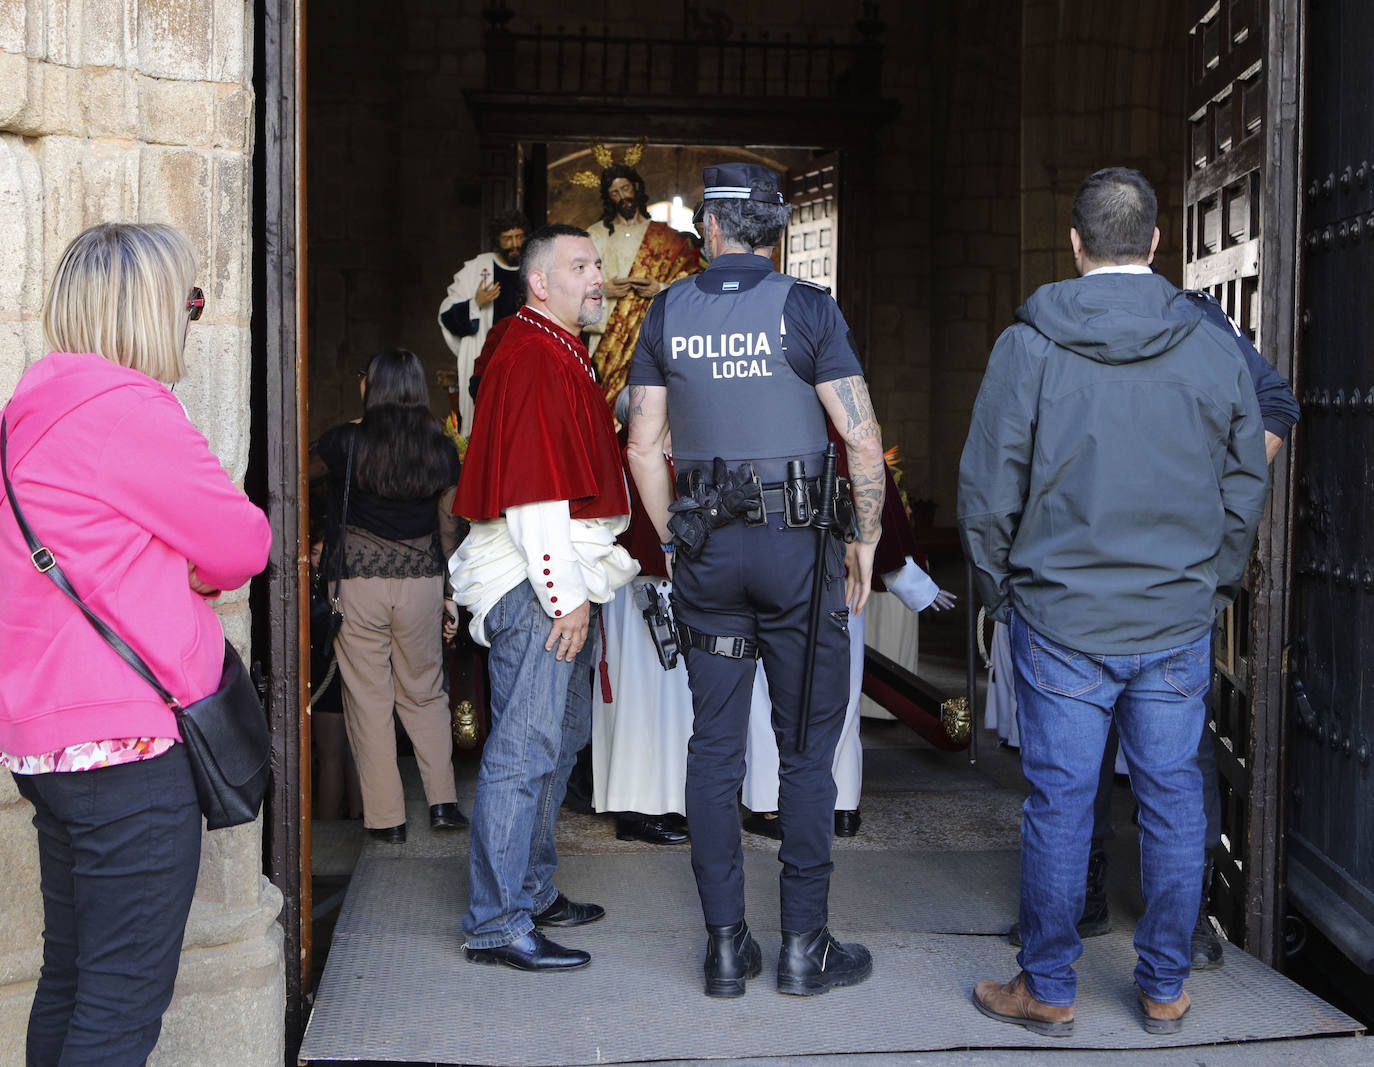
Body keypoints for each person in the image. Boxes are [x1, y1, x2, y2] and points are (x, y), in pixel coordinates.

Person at [958, 167, 1270, 1038]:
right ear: (1159, 242)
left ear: (1075, 242)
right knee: (1174, 800)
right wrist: (1211, 583)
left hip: (1061, 618)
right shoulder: (1211, 345)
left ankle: (1049, 988)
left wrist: (1008, 592)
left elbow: (986, 491)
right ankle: (1165, 988)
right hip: (1172, 616)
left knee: (1060, 804)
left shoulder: (1030, 344)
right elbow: (1245, 484)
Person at [0, 222, 272, 1065]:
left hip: (47, 745)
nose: (193, 319)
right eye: (189, 301)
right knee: (119, 1010)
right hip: (130, 747)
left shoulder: (25, 414)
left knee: (74, 979)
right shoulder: (127, 409)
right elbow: (242, 544)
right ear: (152, 309)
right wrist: (189, 573)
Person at [626, 162, 885, 999]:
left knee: (714, 745)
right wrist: (865, 538)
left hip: (708, 550)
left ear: (710, 228)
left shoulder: (669, 309)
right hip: (798, 553)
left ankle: (725, 949)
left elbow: (640, 442)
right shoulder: (808, 310)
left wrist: (673, 537)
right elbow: (861, 436)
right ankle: (804, 949)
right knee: (806, 753)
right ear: (774, 230)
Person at [1002, 295, 1300, 967]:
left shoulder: (1196, 320)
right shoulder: (1058, 327)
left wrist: (1217, 496)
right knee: (1091, 771)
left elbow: (1276, 404)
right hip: (1093, 588)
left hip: (1145, 591)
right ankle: (1088, 907)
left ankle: (1183, 924)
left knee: (1167, 772)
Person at [449, 223, 638, 972]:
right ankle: (496, 921)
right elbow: (534, 499)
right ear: (539, 282)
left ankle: (530, 887)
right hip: (537, 587)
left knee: (558, 746)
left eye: (597, 264)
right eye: (582, 266)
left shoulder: (558, 348)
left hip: (560, 583)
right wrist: (566, 597)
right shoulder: (530, 355)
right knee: (524, 753)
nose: (599, 277)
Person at [742, 458, 956, 840]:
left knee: (766, 690)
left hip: (776, 563)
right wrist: (909, 579)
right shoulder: (842, 420)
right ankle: (840, 804)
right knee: (841, 687)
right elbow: (871, 483)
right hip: (838, 570)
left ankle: (773, 805)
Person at [316, 349, 465, 844]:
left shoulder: (345, 442)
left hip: (358, 579)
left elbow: (297, 475)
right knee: (425, 692)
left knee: (369, 700)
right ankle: (443, 804)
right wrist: (449, 592)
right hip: (421, 579)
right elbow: (447, 526)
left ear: (372, 386)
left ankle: (387, 821)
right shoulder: (441, 450)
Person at [591, 388, 692, 846]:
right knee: (635, 701)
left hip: (671, 592)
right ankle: (635, 809)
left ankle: (665, 801)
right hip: (632, 592)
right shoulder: (621, 454)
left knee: (669, 703)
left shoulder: (673, 449)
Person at [585, 164, 699, 405]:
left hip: (652, 333)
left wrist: (658, 289)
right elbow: (573, 284)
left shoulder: (666, 237)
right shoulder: (592, 236)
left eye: (625, 188)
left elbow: (692, 284)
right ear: (608, 198)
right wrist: (603, 290)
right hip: (608, 341)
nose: (623, 197)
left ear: (636, 188)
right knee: (606, 406)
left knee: (652, 404)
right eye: (615, 193)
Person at [438, 210, 529, 432]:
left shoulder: (536, 266)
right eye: (508, 238)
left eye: (519, 236)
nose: (515, 244)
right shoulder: (477, 269)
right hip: (488, 363)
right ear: (497, 240)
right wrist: (474, 303)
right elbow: (446, 314)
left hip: (527, 363)